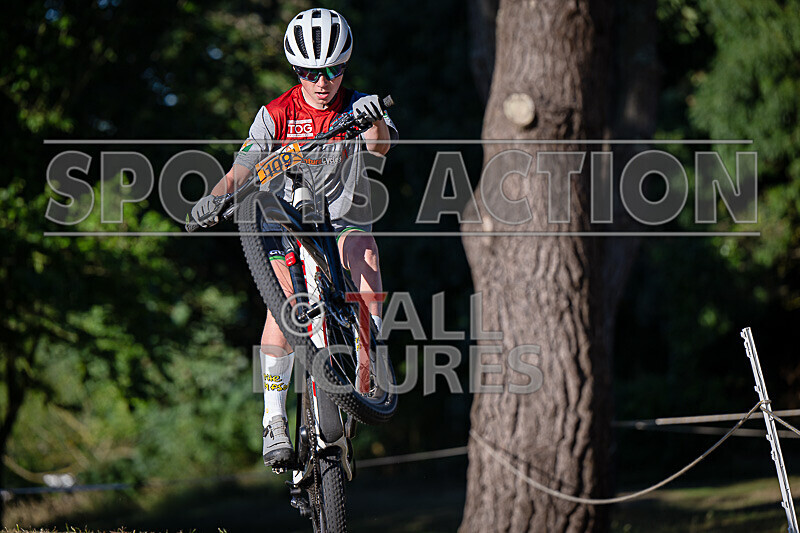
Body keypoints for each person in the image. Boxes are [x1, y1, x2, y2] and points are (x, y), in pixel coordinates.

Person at [190, 8, 398, 468]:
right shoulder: (275, 113)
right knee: (283, 307)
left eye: (333, 71)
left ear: (345, 66)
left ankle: (369, 361)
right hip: (286, 219)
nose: (322, 82)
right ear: (294, 70)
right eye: (309, 72)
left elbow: (379, 147)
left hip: (342, 218)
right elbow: (241, 169)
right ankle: (273, 418)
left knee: (365, 252)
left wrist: (374, 119)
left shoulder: (358, 104)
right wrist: (214, 198)